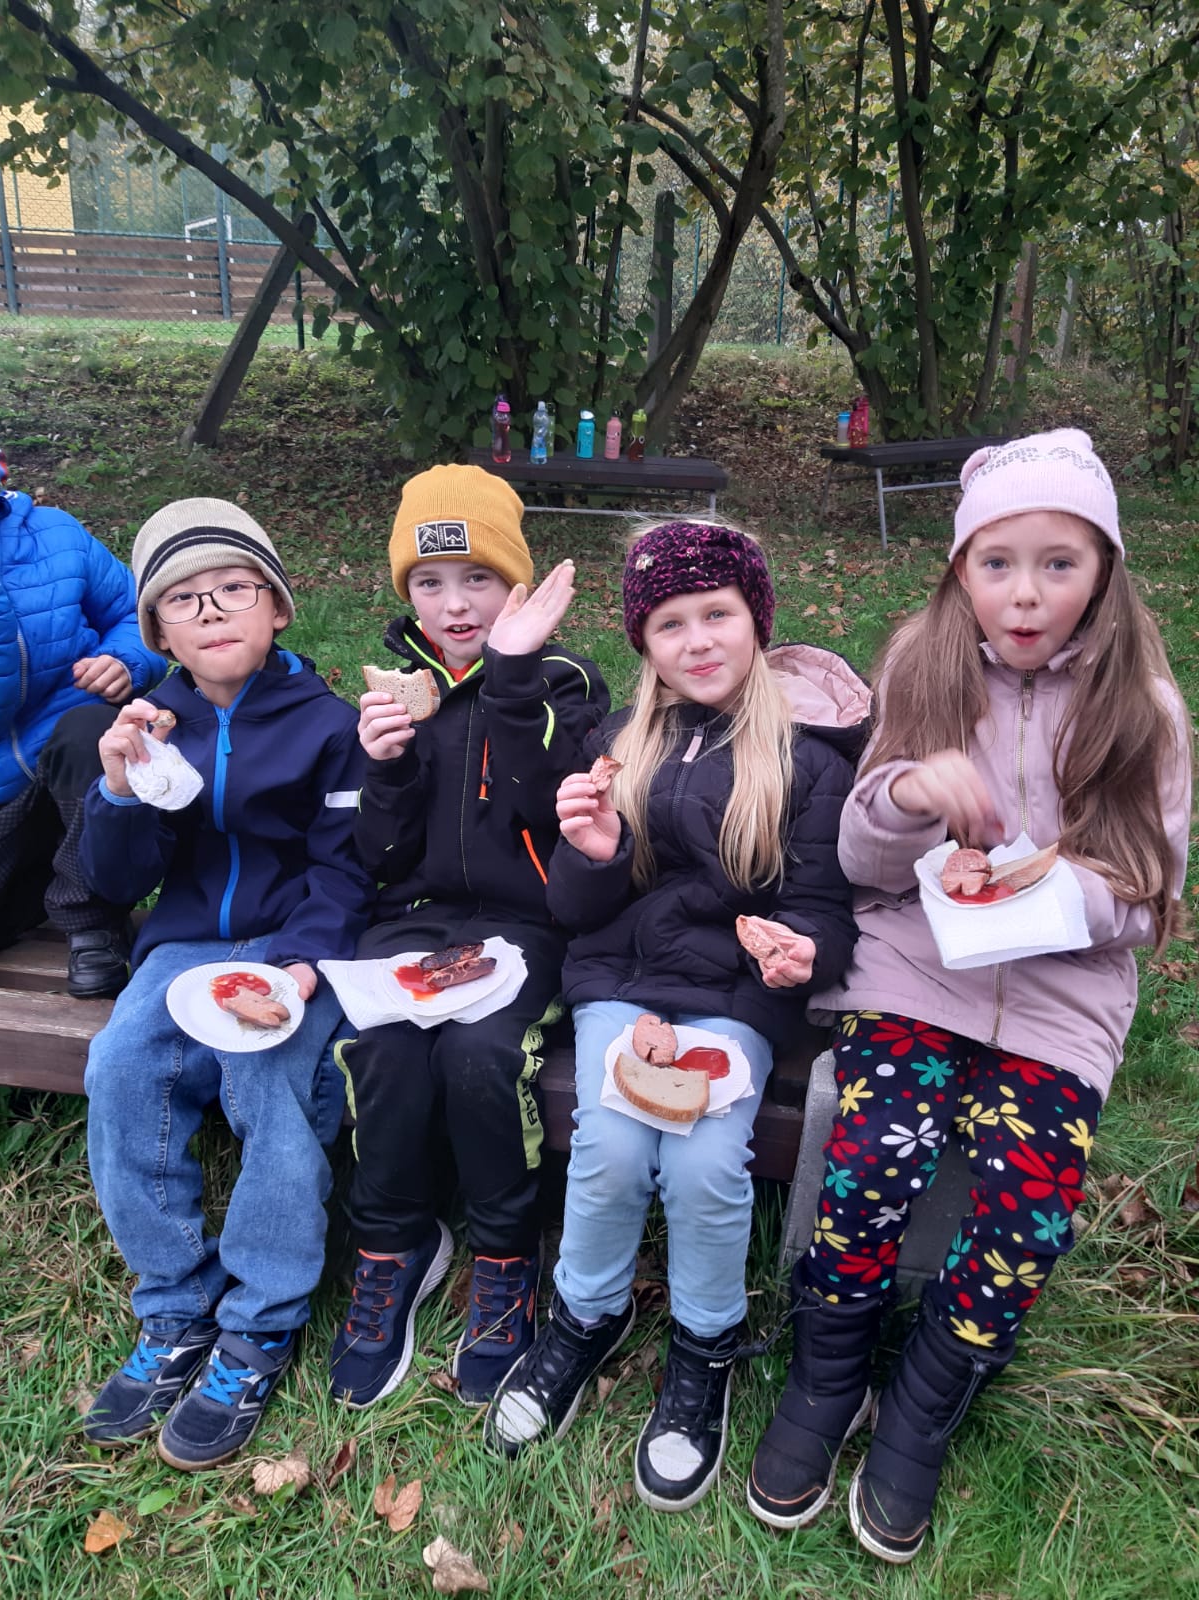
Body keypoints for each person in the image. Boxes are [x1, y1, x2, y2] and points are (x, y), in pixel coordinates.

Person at [747, 429, 1193, 1562]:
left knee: (1029, 1206)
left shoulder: (1144, 704)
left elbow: (1150, 896)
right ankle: (829, 1368)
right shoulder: (923, 666)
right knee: (874, 1150)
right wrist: (909, 798)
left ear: (1105, 568)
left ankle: (926, 1395)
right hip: (916, 964)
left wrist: (1058, 891)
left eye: (1059, 562)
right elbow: (861, 860)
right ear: (961, 569)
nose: (1025, 593)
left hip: (1061, 996)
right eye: (998, 563)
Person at [485, 521, 870, 1513]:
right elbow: (575, 910)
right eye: (669, 623)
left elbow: (823, 910)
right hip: (620, 982)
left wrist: (803, 953)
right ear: (644, 642)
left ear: (756, 621)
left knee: (702, 1162)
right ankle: (585, 1314)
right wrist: (597, 851)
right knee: (610, 1149)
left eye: (717, 614)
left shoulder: (810, 762)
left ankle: (705, 1344)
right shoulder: (620, 744)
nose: (697, 640)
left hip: (734, 997)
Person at [79, 498, 373, 1471]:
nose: (210, 611)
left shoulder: (327, 725)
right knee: (122, 1063)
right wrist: (118, 788)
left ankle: (260, 1320)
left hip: (294, 943)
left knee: (270, 1074)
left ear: (277, 607)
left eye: (234, 589)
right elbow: (114, 881)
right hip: (187, 943)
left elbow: (344, 867)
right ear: (157, 631)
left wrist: (302, 961)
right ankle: (175, 1302)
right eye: (183, 599)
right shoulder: (152, 725)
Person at [330, 465, 609, 1411]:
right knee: (385, 1044)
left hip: (526, 924)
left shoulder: (565, 683)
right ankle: (393, 1242)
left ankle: (503, 1252)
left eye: (478, 579)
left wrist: (514, 678)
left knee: (482, 1054)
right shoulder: (395, 692)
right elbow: (377, 854)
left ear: (516, 582)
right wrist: (386, 769)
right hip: (411, 923)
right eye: (430, 582)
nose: (454, 606)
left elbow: (544, 810)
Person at [0, 447, 167, 994]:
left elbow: (135, 611)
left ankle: (92, 920)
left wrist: (125, 661)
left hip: (68, 765)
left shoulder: (56, 535)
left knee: (92, 730)